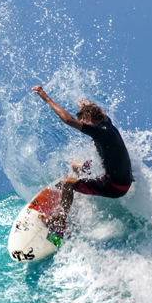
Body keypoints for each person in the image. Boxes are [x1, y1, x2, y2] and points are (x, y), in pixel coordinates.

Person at [31, 85, 133, 233]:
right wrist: (87, 104)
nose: (84, 126)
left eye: (85, 121)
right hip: (123, 178)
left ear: (90, 118)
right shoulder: (106, 122)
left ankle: (60, 222)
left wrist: (46, 98)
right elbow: (99, 111)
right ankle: (78, 190)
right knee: (75, 166)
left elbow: (67, 119)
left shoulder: (99, 132)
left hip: (115, 187)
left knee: (67, 183)